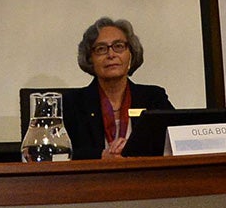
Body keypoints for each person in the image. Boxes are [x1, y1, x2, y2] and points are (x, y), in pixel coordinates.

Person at [63, 17, 173, 160]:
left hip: (145, 178)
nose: (111, 55)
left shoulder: (153, 98)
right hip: (92, 180)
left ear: (131, 54)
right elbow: (58, 152)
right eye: (101, 49)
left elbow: (175, 140)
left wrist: (136, 150)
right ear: (90, 59)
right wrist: (101, 156)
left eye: (119, 46)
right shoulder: (72, 103)